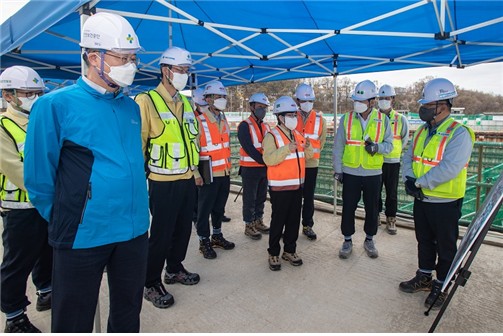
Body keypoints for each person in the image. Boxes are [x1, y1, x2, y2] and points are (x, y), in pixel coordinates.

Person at [23, 13, 150, 332]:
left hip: (133, 231)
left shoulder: (130, 107)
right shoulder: (55, 106)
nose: (131, 65)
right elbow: (38, 178)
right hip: (83, 234)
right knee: (73, 318)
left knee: (127, 312)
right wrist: (70, 216)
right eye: (124, 57)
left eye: (133, 58)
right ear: (95, 57)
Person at [399, 78, 474, 310]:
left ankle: (441, 285)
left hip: (445, 201)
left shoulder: (459, 133)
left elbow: (449, 168)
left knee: (445, 245)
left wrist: (419, 182)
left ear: (444, 104)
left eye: (429, 103)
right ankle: (424, 276)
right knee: (424, 240)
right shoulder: (422, 130)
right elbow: (408, 156)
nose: (425, 107)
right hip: (422, 198)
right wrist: (409, 179)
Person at [135, 46, 201, 310]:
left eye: (187, 71)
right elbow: (138, 144)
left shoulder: (186, 102)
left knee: (184, 229)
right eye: (180, 70)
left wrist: (195, 173)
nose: (185, 75)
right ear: (165, 70)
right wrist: (139, 182)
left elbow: (191, 140)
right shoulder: (147, 100)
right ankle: (150, 282)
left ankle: (174, 269)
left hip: (186, 179)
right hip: (162, 183)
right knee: (161, 234)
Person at [0, 66, 52, 333]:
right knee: (18, 262)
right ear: (9, 96)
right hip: (20, 207)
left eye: (38, 93)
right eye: (28, 93)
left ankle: (46, 291)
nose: (35, 97)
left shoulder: (40, 122)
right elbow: (16, 169)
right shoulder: (3, 127)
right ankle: (14, 315)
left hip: (45, 204)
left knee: (47, 251)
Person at [333, 80, 393, 259]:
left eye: (362, 101)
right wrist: (338, 169)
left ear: (372, 101)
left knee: (372, 208)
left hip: (373, 173)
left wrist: (377, 148)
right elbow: (338, 145)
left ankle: (369, 238)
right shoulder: (347, 118)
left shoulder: (383, 120)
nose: (357, 104)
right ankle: (347, 239)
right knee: (348, 207)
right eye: (355, 100)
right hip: (350, 171)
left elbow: (390, 145)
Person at [263, 96, 313, 271]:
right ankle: (274, 252)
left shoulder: (298, 135)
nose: (294, 118)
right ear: (280, 117)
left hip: (297, 186)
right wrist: (286, 149)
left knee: (293, 221)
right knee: (278, 220)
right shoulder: (272, 136)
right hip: (280, 188)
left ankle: (290, 250)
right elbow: (268, 159)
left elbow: (309, 157)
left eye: (295, 114)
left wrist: (307, 147)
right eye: (290, 115)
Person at [195, 80, 235, 259]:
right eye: (218, 96)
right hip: (207, 173)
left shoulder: (223, 119)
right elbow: (193, 149)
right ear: (208, 99)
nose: (222, 99)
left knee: (219, 208)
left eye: (223, 96)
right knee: (204, 209)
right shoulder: (200, 121)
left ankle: (217, 235)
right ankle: (204, 241)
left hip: (224, 172)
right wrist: (195, 173)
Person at [294, 83, 327, 240]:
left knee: (308, 197)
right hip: (293, 164)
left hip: (311, 164)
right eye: (303, 100)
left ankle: (307, 225)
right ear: (297, 100)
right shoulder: (291, 115)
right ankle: (290, 225)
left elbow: (322, 142)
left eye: (310, 101)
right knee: (292, 196)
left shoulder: (321, 119)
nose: (307, 104)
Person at [237, 93, 271, 240]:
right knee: (249, 198)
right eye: (259, 107)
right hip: (250, 169)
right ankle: (249, 224)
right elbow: (249, 148)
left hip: (264, 169)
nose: (262, 110)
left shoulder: (267, 126)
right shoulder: (244, 125)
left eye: (264, 107)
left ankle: (258, 220)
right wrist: (265, 160)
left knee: (261, 197)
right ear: (251, 107)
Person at [377, 84, 409, 234]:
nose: (384, 100)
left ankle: (391, 219)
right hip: (376, 161)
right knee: (375, 191)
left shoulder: (400, 119)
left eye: (387, 98)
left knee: (392, 192)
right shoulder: (373, 117)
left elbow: (404, 139)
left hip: (393, 161)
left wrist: (394, 151)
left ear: (392, 100)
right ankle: (375, 215)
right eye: (381, 98)